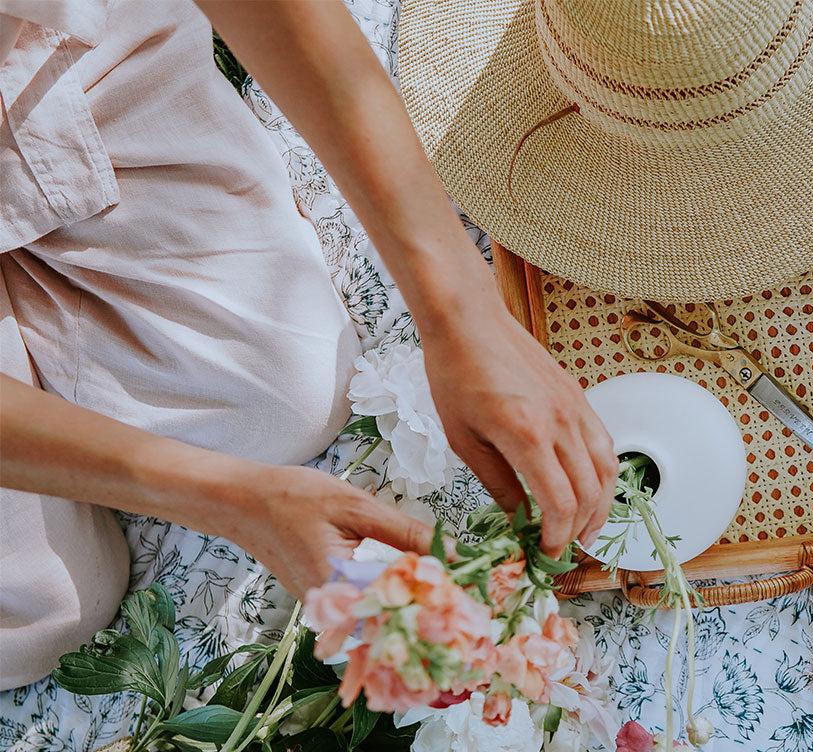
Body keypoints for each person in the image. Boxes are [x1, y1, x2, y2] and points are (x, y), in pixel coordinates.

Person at [0, 0, 618, 689]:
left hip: (42, 65)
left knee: (286, 399)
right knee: (43, 622)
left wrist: (466, 314)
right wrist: (236, 502)